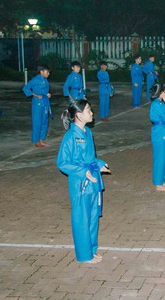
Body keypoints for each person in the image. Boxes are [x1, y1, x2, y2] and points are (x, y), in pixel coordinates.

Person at [57, 99, 110, 263]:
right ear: (78, 115)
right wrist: (83, 172)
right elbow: (62, 162)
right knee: (82, 219)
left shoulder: (87, 132)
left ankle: (91, 250)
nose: (92, 113)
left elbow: (90, 157)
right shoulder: (71, 136)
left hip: (92, 180)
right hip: (80, 183)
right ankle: (84, 255)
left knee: (93, 217)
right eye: (88, 110)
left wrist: (100, 165)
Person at [149, 83, 165, 191]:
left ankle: (161, 181)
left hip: (164, 131)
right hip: (160, 133)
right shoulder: (156, 104)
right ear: (161, 93)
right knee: (160, 158)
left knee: (164, 158)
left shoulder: (159, 103)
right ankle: (158, 184)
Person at [22, 65, 51, 148]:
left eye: (48, 72)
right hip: (37, 103)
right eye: (47, 72)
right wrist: (35, 95)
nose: (48, 73)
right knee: (37, 122)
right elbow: (26, 88)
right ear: (41, 72)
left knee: (44, 121)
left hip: (44, 102)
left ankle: (41, 139)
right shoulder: (35, 80)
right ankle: (37, 141)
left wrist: (47, 94)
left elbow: (45, 91)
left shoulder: (45, 80)